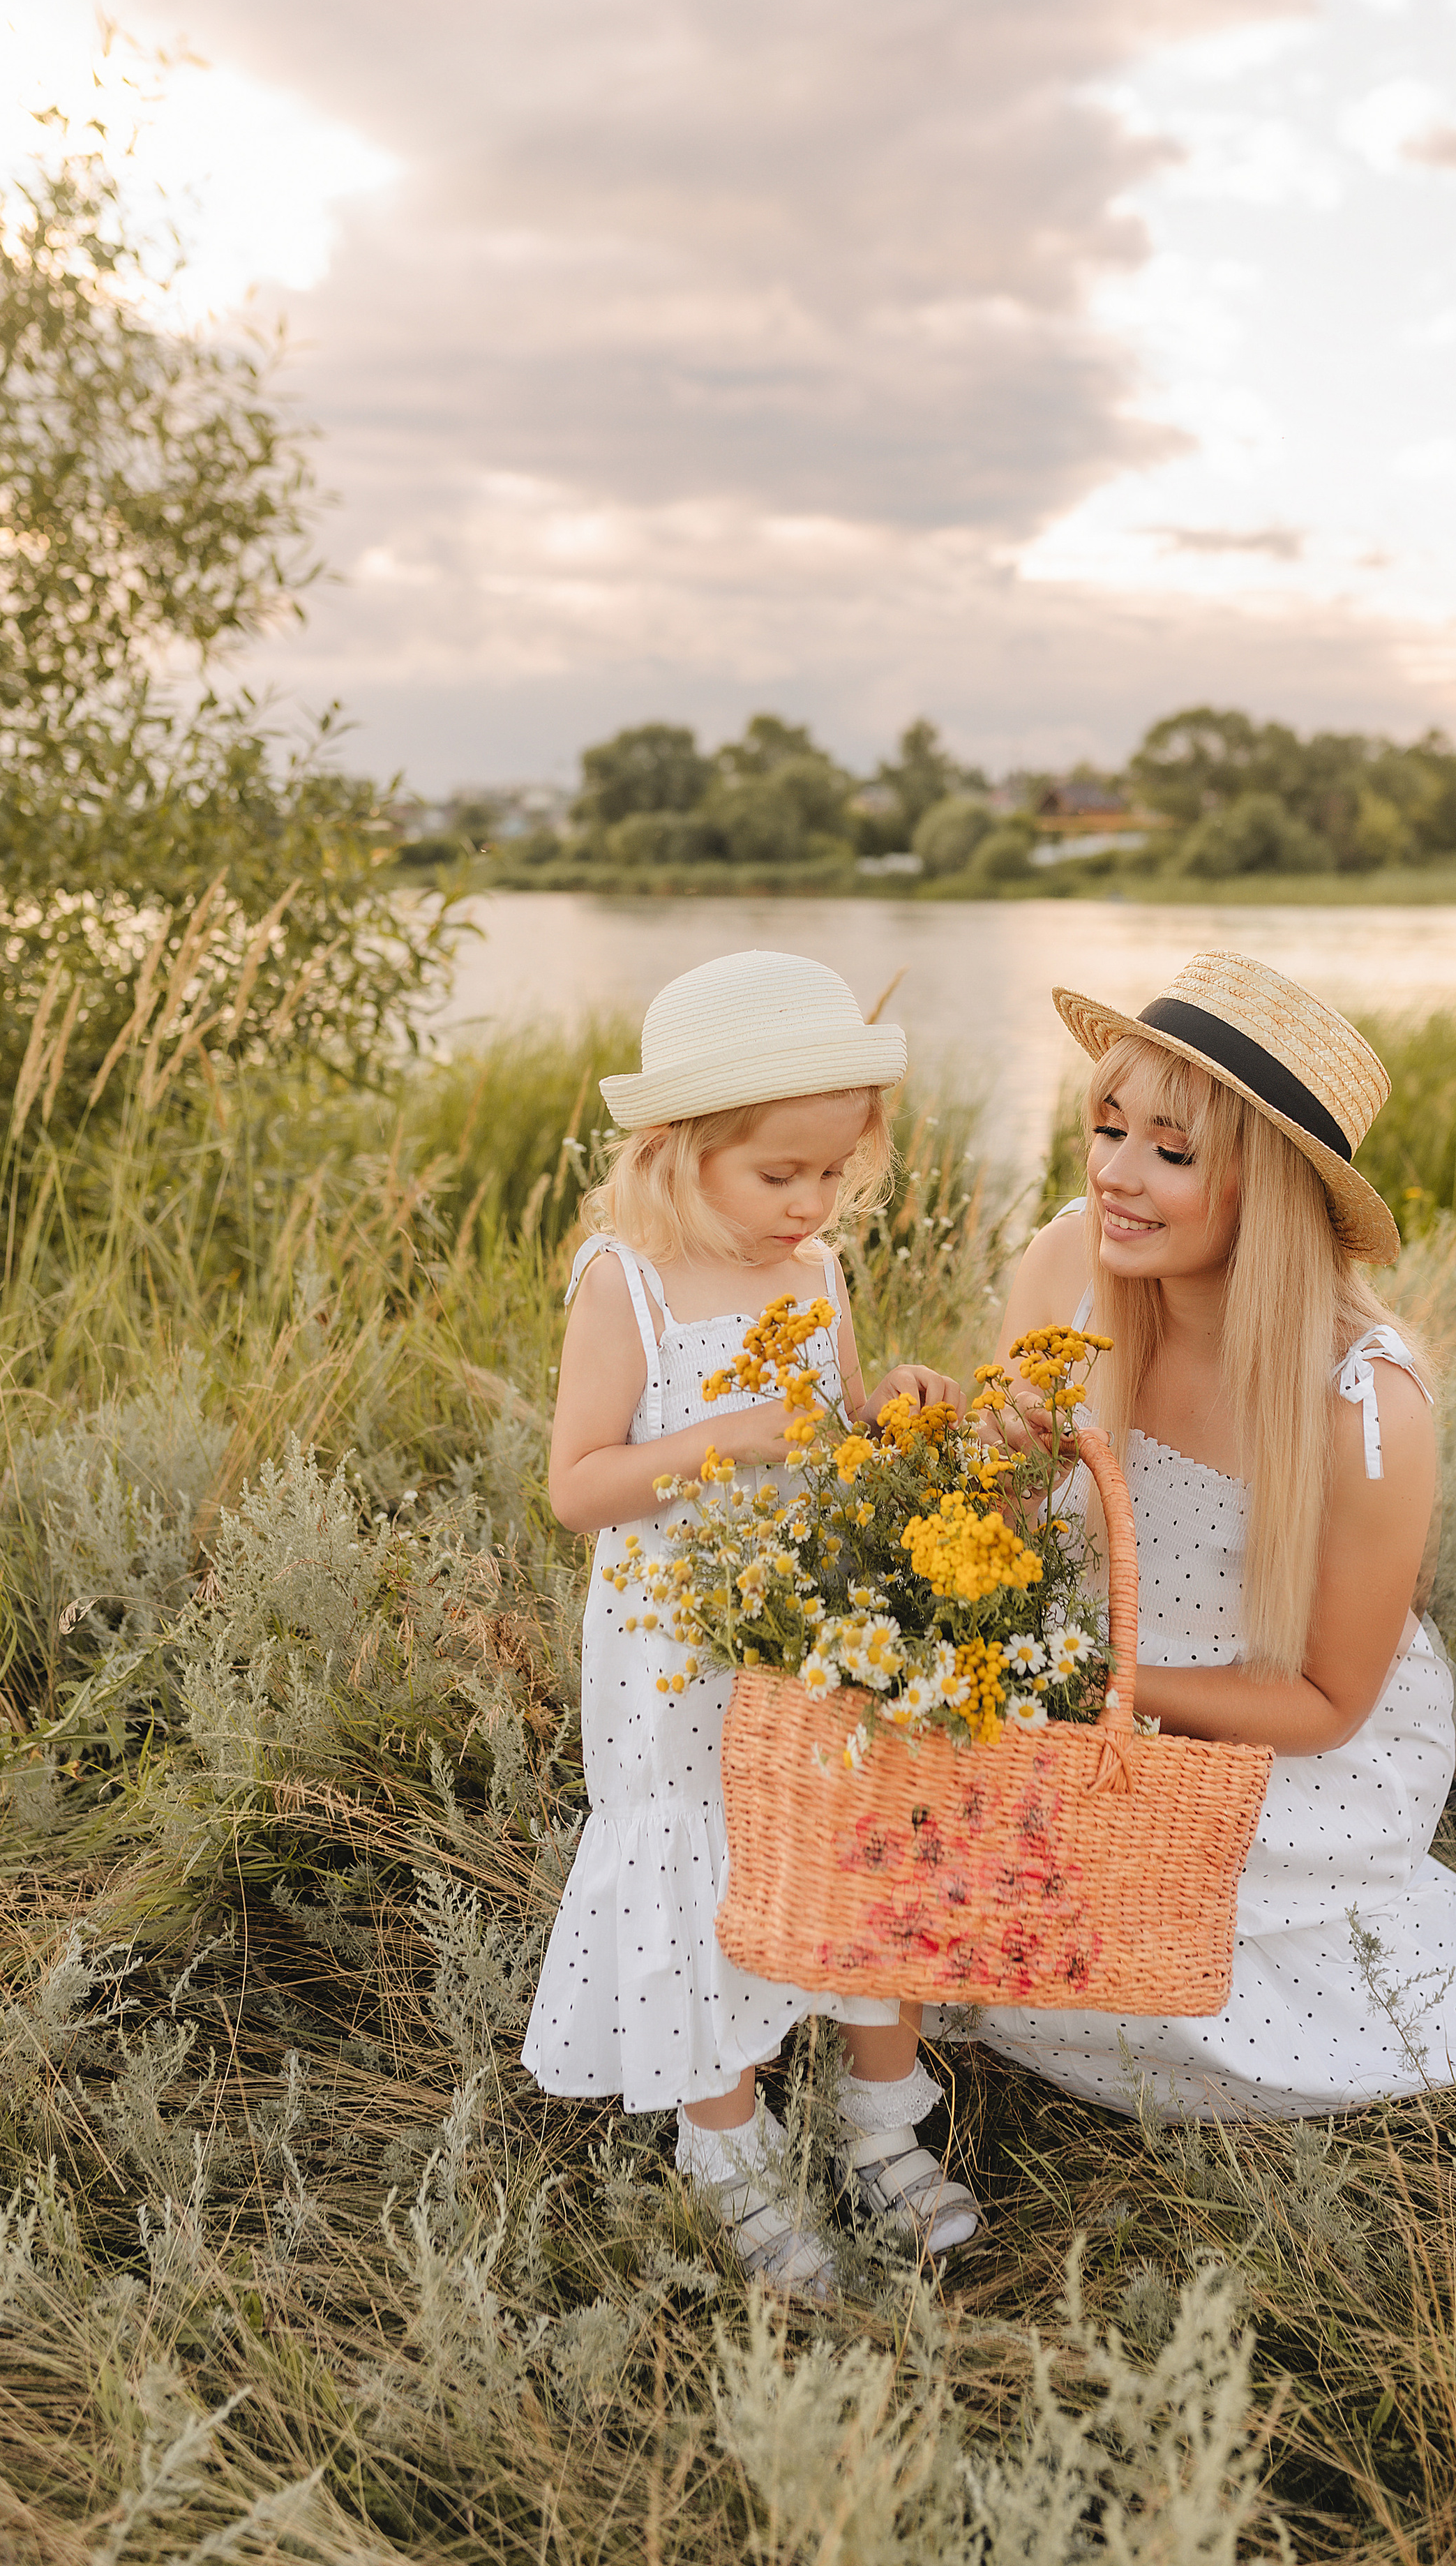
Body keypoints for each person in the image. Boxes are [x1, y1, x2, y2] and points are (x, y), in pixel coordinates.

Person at [938, 950, 1456, 2119]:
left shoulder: (1363, 1400)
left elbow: (1327, 1702)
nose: (1118, 1176)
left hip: (1264, 1737)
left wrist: (1102, 1683)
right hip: (1080, 1686)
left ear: (1273, 1187)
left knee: (1151, 1990)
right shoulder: (1063, 1266)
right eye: (1108, 1126)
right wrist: (995, 1461)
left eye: (1173, 1150)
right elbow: (1006, 1545)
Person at [521, 950, 977, 2293]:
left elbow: (833, 1439)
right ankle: (730, 2149)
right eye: (781, 1175)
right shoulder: (629, 1284)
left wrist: (887, 1414)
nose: (813, 1201)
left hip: (806, 1619)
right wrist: (724, 1435)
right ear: (680, 1151)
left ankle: (879, 2128)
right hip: (677, 1644)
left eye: (835, 1173)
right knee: (698, 1871)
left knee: (848, 1848)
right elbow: (577, 1484)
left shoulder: (816, 1269)